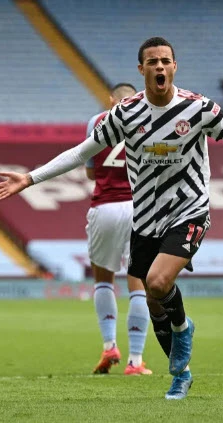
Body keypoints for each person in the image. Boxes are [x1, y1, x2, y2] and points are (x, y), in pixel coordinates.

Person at [0, 37, 223, 400]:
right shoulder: (125, 114)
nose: (159, 66)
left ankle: (183, 329)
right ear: (141, 69)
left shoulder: (199, 108)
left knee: (157, 283)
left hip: (190, 210)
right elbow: (81, 153)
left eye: (165, 61)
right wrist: (30, 178)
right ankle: (181, 374)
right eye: (153, 61)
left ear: (174, 66)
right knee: (153, 302)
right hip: (145, 219)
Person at [84, 83, 152, 376]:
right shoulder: (148, 120)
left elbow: (90, 170)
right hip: (139, 208)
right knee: (138, 282)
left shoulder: (96, 121)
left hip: (105, 207)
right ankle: (135, 361)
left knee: (103, 280)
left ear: (112, 100)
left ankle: (109, 345)